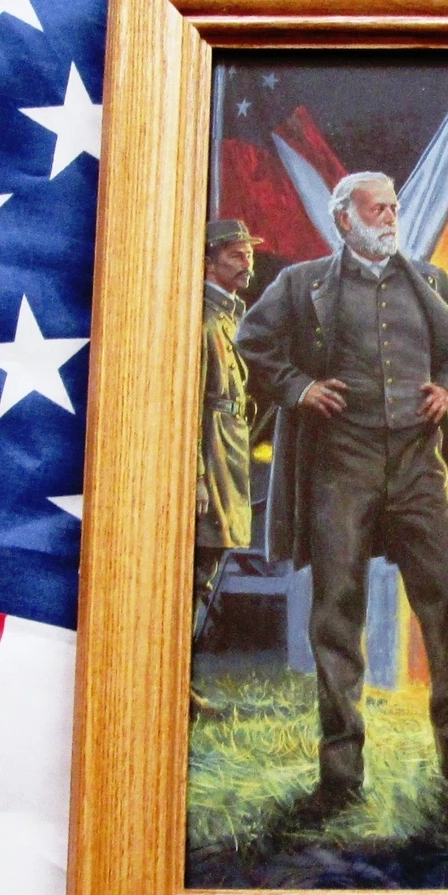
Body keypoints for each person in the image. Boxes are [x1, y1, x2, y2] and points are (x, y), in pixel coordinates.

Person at [236, 171, 448, 816]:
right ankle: (340, 779)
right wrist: (299, 388)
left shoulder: (430, 281)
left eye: (394, 207)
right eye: (378, 208)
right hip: (339, 467)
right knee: (336, 616)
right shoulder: (302, 284)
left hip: (418, 468)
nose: (391, 217)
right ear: (344, 218)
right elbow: (252, 342)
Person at [194, 220, 260, 694]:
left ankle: (185, 682)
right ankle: (179, 683)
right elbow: (189, 404)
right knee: (196, 570)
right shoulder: (201, 320)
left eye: (249, 254)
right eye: (236, 255)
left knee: (208, 568)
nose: (247, 263)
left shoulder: (229, 317)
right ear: (209, 262)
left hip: (229, 450)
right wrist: (196, 476)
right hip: (211, 456)